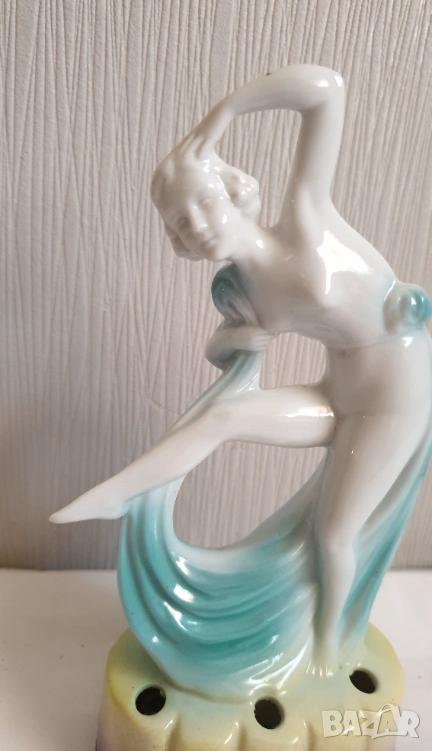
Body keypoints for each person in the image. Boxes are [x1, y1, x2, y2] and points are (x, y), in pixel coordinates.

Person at [51, 65, 432, 676]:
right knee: (224, 417)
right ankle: (120, 493)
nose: (196, 226)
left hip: (396, 397)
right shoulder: (241, 288)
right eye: (180, 222)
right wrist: (237, 335)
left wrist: (223, 112)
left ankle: (328, 648)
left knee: (334, 533)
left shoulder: (306, 219)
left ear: (232, 192)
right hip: (337, 396)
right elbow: (224, 352)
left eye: (203, 203)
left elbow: (325, 91)